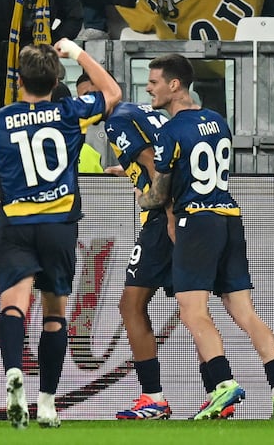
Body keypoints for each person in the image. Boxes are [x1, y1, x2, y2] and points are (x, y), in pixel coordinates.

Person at [0, 40, 120, 428]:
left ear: (18, 81)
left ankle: (13, 372)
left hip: (16, 224)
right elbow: (112, 93)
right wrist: (78, 52)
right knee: (54, 313)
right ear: (55, 81)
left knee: (13, 305)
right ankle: (47, 401)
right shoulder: (70, 112)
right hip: (58, 225)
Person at [141, 54, 274, 419]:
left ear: (174, 85)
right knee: (244, 311)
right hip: (229, 217)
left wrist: (139, 193)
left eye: (154, 82)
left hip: (196, 222)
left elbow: (159, 194)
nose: (149, 88)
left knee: (192, 310)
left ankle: (223, 384)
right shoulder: (217, 121)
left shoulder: (170, 131)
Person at [104, 93, 174, 418]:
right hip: (188, 214)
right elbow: (156, 155)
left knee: (130, 305)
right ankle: (222, 384)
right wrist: (128, 170)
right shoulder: (144, 112)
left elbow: (151, 160)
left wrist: (165, 211)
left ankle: (153, 398)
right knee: (193, 306)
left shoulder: (117, 120)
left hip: (162, 219)